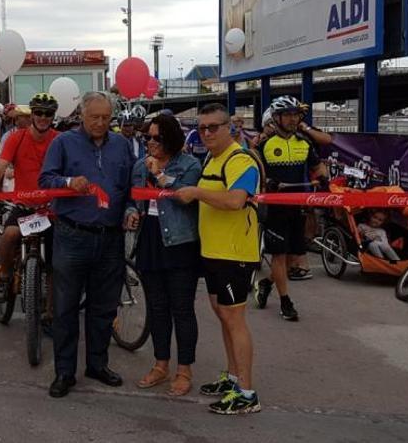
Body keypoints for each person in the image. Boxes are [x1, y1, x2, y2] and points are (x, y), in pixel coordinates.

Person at [39, 91, 134, 398]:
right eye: (95, 117)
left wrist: (132, 209)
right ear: (81, 114)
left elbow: (131, 186)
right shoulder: (63, 143)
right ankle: (64, 372)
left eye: (106, 118)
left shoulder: (121, 145)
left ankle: (97, 364)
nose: (101, 123)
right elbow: (45, 180)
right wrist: (68, 183)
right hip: (72, 236)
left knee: (104, 307)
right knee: (65, 308)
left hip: (110, 239)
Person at [172, 102, 261, 415]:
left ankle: (247, 394)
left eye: (214, 127)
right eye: (202, 128)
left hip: (234, 254)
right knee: (224, 316)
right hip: (213, 252)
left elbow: (236, 200)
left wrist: (196, 193)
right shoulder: (214, 157)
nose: (207, 133)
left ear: (230, 128)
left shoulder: (240, 160)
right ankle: (234, 377)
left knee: (235, 319)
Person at [125, 114, 202, 397]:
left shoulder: (189, 164)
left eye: (158, 137)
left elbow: (186, 196)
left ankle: (184, 370)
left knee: (181, 309)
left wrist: (159, 175)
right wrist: (131, 213)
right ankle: (160, 365)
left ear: (172, 138)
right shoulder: (138, 166)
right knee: (157, 308)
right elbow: (132, 200)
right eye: (148, 137)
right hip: (151, 240)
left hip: (181, 243)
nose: (151, 142)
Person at [254, 95, 328, 321]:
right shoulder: (264, 144)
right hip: (275, 210)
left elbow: (318, 167)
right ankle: (285, 302)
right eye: (288, 115)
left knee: (290, 260)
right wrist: (267, 182)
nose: (293, 119)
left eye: (296, 114)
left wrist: (323, 179)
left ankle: (266, 284)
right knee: (278, 255)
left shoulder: (304, 143)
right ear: (276, 118)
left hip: (297, 208)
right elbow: (256, 174)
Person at [0, 93, 60, 304]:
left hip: (52, 209)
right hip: (25, 206)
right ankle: (4, 278)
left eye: (48, 113)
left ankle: (52, 309)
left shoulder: (59, 140)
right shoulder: (16, 138)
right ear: (32, 115)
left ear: (53, 116)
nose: (43, 117)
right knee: (8, 235)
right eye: (39, 112)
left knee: (58, 260)